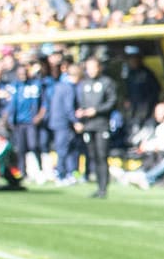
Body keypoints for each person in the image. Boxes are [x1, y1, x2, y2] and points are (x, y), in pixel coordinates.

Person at [73, 55, 120, 199]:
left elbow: (113, 102)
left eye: (93, 67)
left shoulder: (107, 83)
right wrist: (80, 114)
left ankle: (103, 188)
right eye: (89, 68)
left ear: (99, 67)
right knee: (93, 156)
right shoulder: (84, 84)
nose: (91, 70)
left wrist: (97, 110)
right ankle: (98, 186)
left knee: (102, 155)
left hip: (101, 125)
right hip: (88, 125)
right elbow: (80, 103)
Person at [46, 63, 81, 183]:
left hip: (56, 121)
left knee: (64, 149)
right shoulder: (68, 88)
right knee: (63, 150)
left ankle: (67, 173)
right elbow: (68, 107)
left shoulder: (59, 85)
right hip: (63, 123)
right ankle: (61, 175)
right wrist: (76, 122)